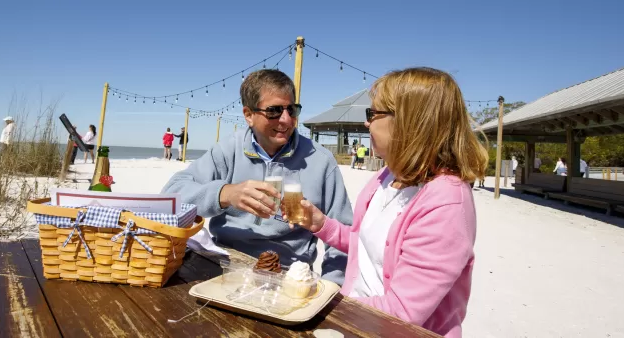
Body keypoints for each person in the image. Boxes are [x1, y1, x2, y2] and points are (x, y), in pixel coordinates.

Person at [285, 67, 486, 337]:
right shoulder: (387, 176)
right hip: (354, 323)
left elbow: (400, 313)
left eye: (373, 113)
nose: (367, 123)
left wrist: (314, 301)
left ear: (409, 122)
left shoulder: (446, 202)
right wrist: (321, 224)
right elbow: (368, 248)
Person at [161, 69, 353, 285]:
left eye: (292, 110)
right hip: (223, 266)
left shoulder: (321, 161)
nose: (287, 120)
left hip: (288, 275)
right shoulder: (228, 151)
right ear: (248, 115)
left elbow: (344, 239)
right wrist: (225, 194)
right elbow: (171, 196)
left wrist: (332, 288)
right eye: (274, 111)